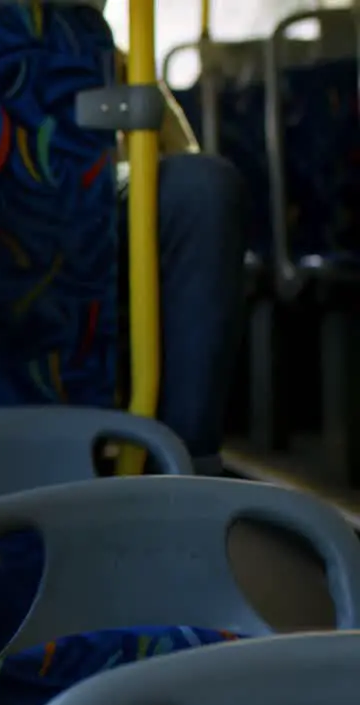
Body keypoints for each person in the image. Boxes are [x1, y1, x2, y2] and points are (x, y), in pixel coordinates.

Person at [112, 46, 249, 475]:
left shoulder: (94, 54)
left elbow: (180, 151)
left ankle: (184, 468)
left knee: (202, 192)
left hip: (84, 213)